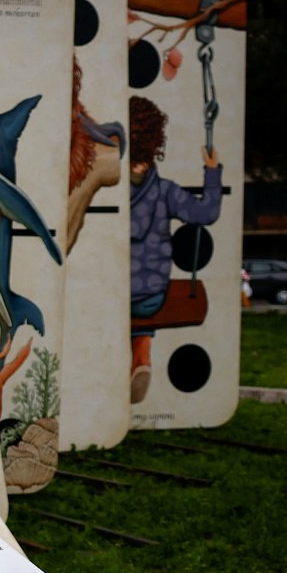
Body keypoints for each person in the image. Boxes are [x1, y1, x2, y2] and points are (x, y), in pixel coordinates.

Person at [126, 96, 221, 404]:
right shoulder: (166, 192)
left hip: (114, 295)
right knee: (144, 308)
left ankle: (133, 360)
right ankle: (141, 357)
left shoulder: (107, 192)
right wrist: (211, 170)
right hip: (152, 296)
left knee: (111, 300)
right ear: (156, 142)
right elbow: (206, 213)